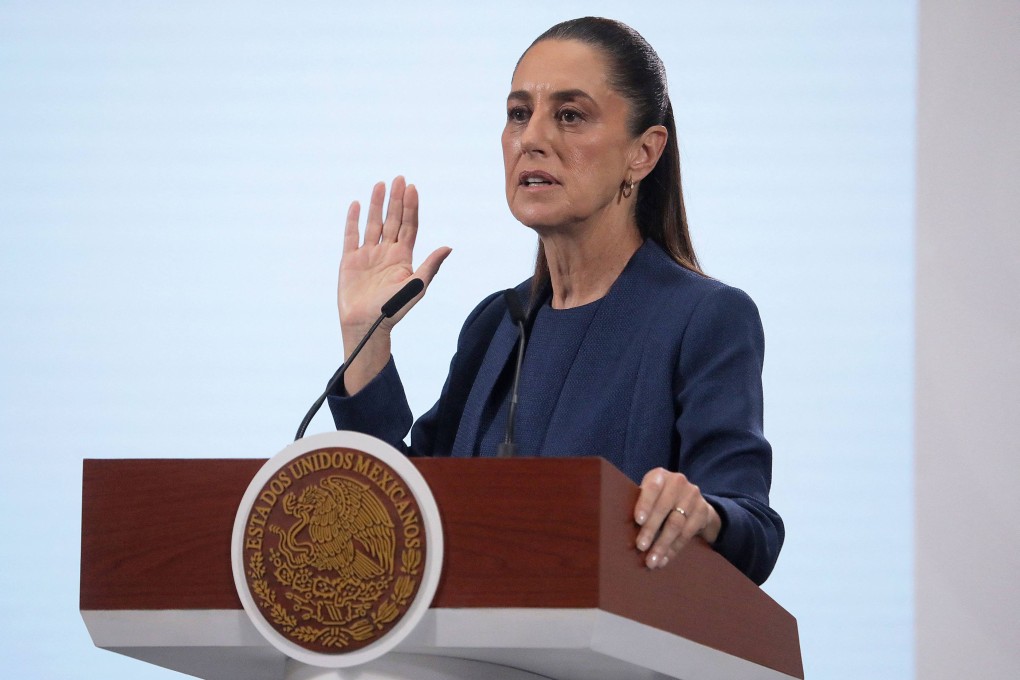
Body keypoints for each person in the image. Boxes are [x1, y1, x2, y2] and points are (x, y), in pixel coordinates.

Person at [328, 17, 783, 585]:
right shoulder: (498, 324)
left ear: (644, 152)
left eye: (569, 115)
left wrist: (704, 513)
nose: (532, 138)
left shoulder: (704, 318)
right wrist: (364, 337)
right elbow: (401, 513)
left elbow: (753, 528)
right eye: (519, 113)